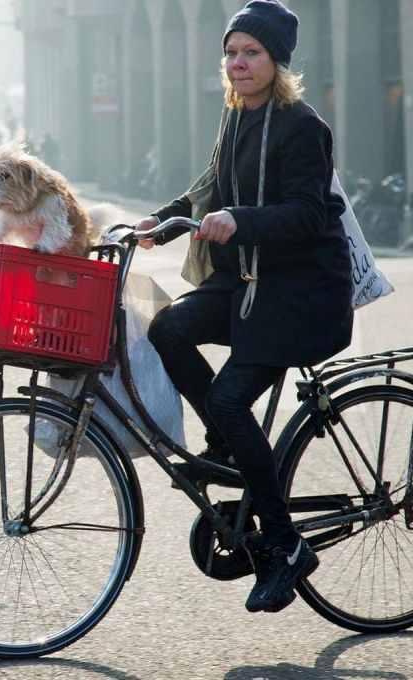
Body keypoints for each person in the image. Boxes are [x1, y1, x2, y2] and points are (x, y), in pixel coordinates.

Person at [134, 0, 350, 614]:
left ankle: (285, 548)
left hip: (300, 291)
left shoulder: (300, 125)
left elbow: (309, 214)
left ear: (276, 61)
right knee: (169, 327)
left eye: (250, 52)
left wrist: (240, 220)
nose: (237, 63)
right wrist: (161, 220)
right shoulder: (235, 117)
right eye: (231, 52)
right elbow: (209, 189)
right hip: (250, 280)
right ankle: (228, 449)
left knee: (231, 400)